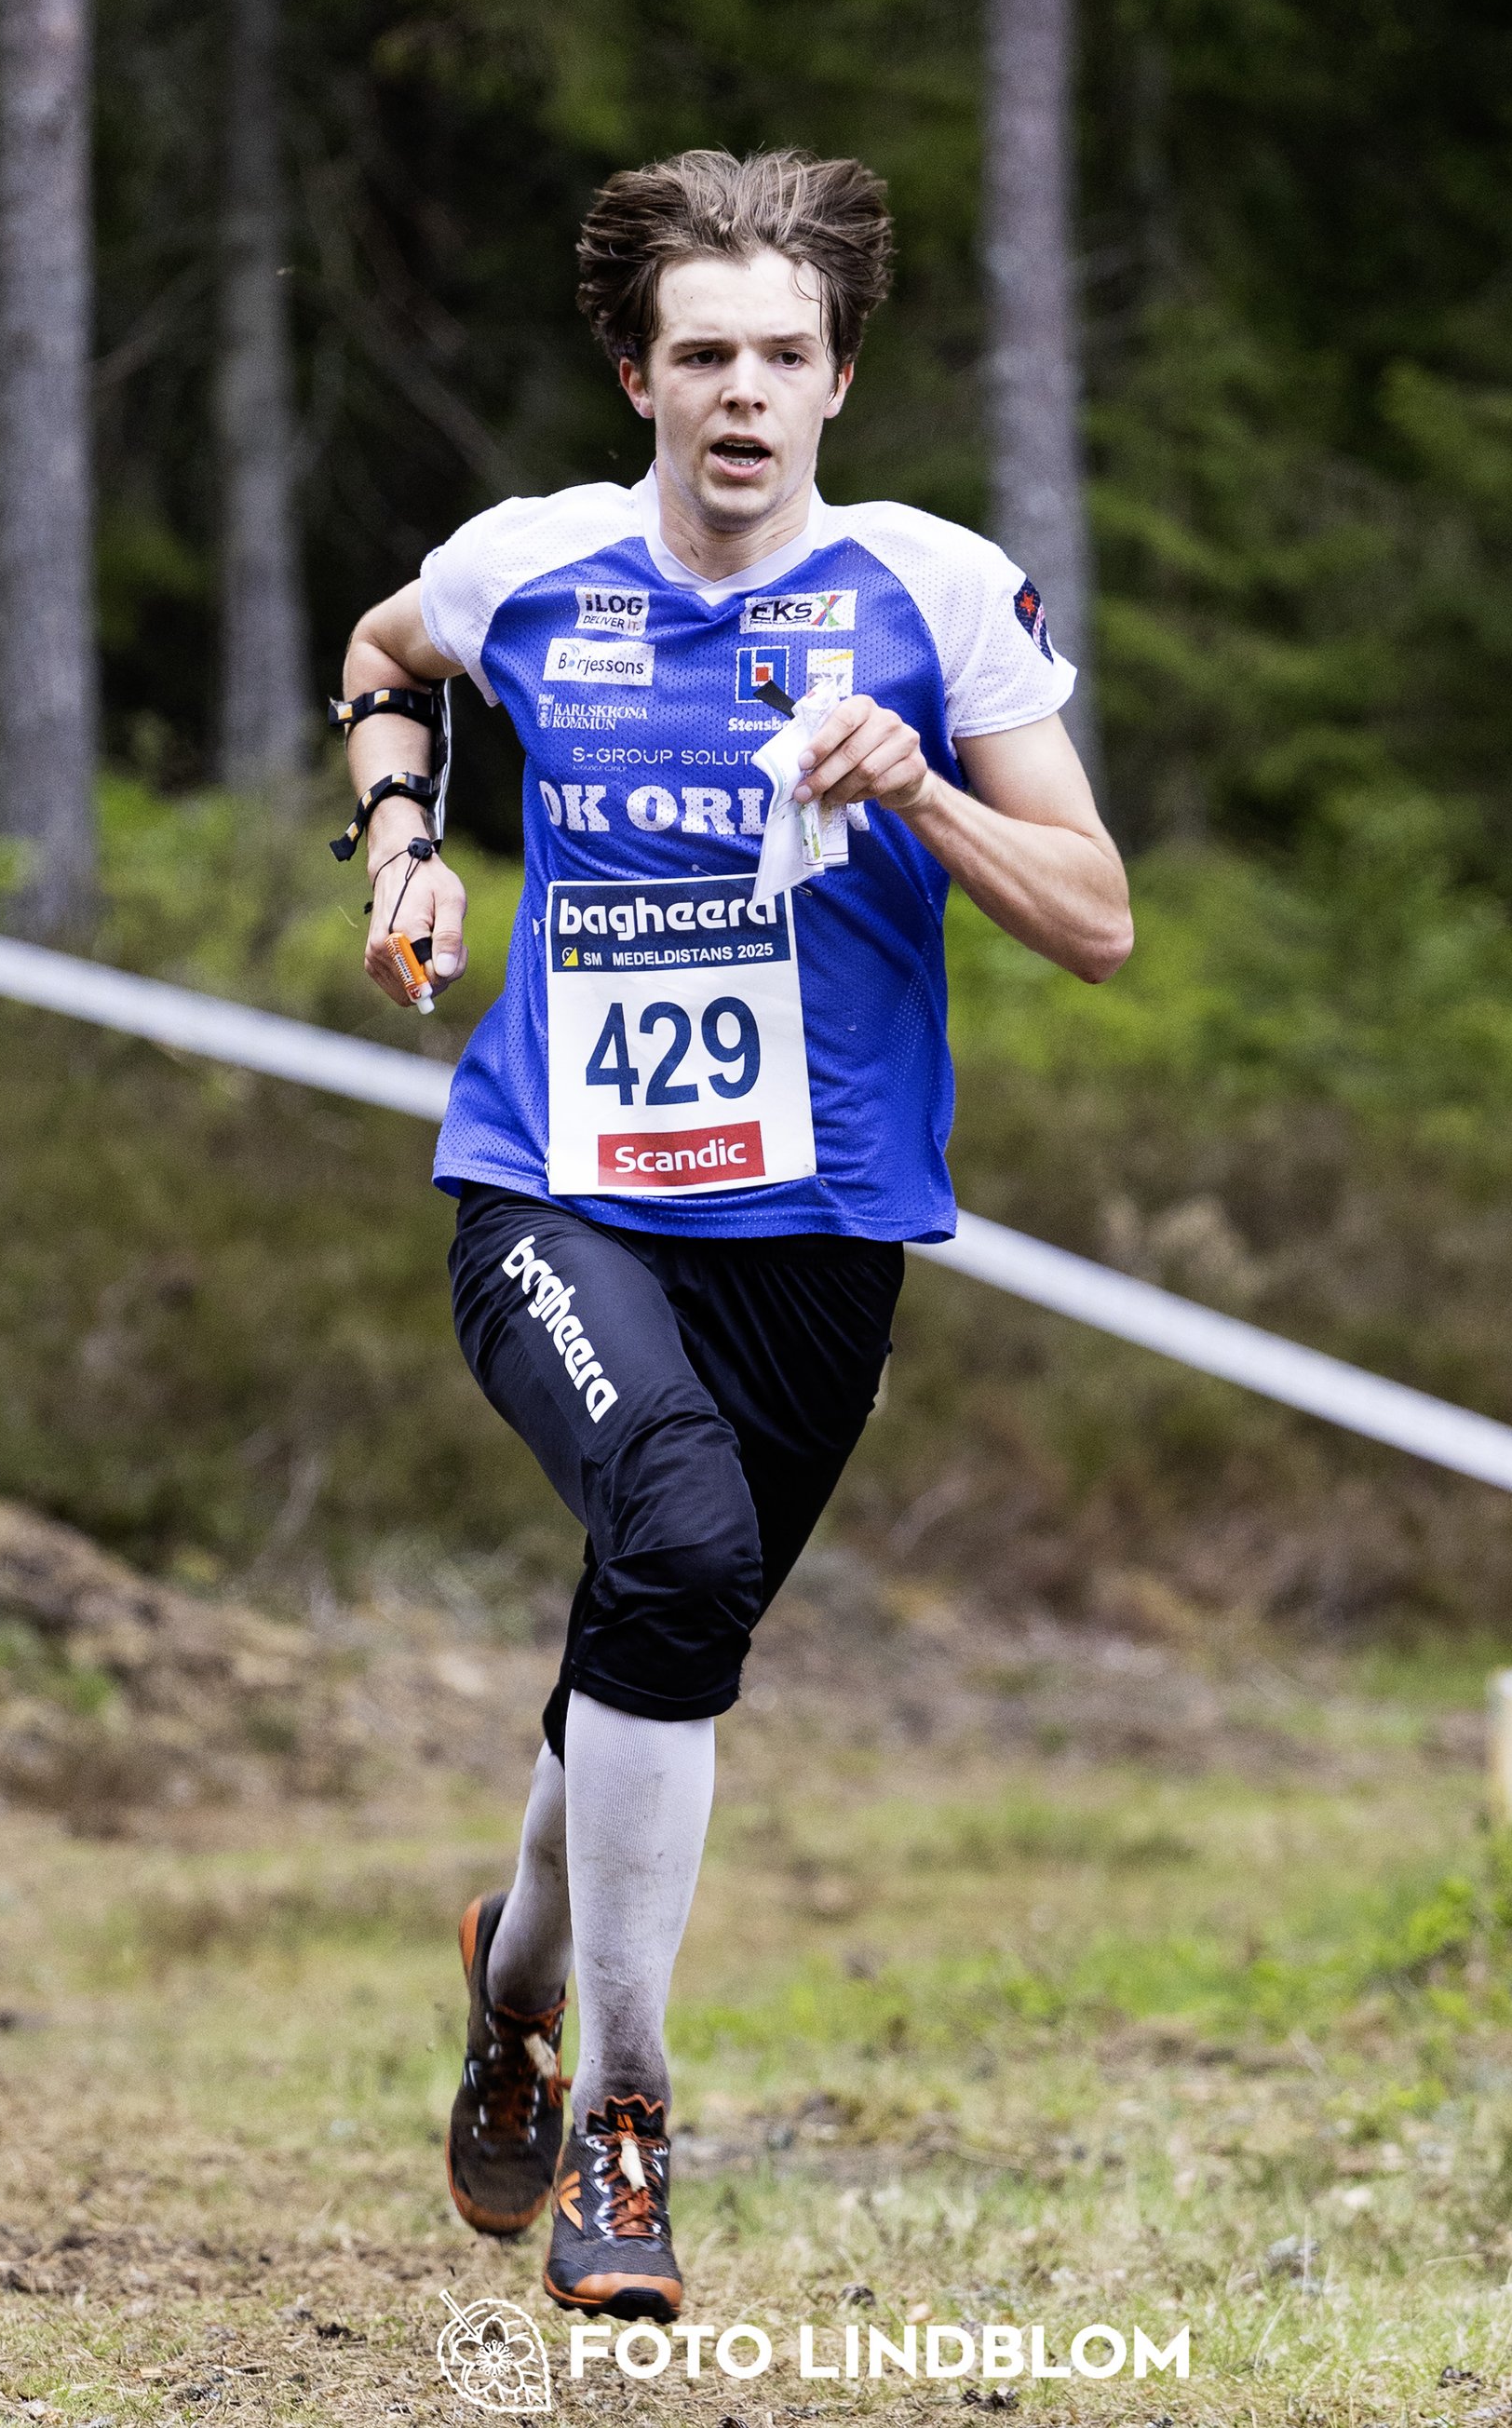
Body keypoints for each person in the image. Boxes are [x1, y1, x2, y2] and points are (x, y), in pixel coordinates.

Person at [336, 148, 1131, 2323]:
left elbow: (1096, 924)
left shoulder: (936, 594)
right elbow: (380, 655)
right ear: (635, 373)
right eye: (703, 355)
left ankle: (504, 1981)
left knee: (661, 1627)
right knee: (675, 1552)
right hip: (552, 1188)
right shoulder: (528, 567)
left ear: (840, 377)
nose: (743, 395)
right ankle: (627, 2109)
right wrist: (401, 842)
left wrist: (925, 790)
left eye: (785, 356)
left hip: (823, 1223)